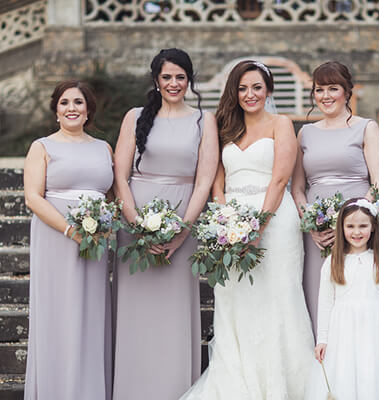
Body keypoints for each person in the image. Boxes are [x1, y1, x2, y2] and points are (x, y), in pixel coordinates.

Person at [180, 60, 314, 399]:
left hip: (275, 222)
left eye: (256, 87)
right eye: (242, 88)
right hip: (231, 225)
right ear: (234, 92)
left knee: (278, 297)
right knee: (234, 299)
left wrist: (258, 226)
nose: (249, 94)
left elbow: (281, 177)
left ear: (268, 90)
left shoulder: (282, 123)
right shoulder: (226, 125)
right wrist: (226, 221)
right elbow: (216, 181)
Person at [112, 48, 219, 400]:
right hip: (135, 225)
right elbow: (120, 176)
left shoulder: (205, 120)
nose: (174, 83)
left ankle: (174, 390)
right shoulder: (134, 117)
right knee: (136, 311)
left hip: (182, 222)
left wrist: (183, 230)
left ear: (190, 80)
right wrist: (137, 224)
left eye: (180, 77)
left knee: (173, 312)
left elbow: (204, 181)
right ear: (156, 80)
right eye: (167, 77)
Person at [23, 80, 113, 399]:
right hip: (56, 238)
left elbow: (113, 195)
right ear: (56, 111)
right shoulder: (42, 147)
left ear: (88, 110)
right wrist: (70, 230)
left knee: (90, 314)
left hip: (95, 243)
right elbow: (33, 198)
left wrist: (104, 226)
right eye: (64, 102)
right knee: (58, 313)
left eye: (78, 102)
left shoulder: (103, 148)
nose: (71, 108)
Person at [291, 61, 379, 335]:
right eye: (319, 89)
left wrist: (353, 222)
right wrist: (311, 225)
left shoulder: (365, 128)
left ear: (347, 92)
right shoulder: (305, 133)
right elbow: (297, 188)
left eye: (333, 88)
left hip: (357, 231)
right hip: (318, 235)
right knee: (320, 300)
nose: (326, 96)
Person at [304, 198, 379, 400]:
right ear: (342, 228)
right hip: (343, 331)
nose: (357, 232)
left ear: (372, 227)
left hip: (376, 330)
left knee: (373, 373)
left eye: (363, 226)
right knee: (345, 374)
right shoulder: (332, 261)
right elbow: (326, 303)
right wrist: (322, 339)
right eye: (350, 226)